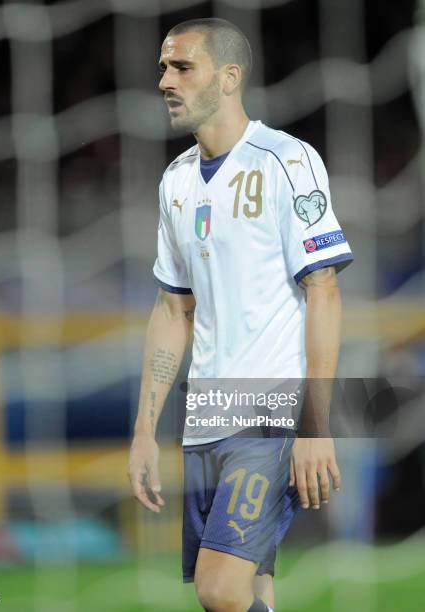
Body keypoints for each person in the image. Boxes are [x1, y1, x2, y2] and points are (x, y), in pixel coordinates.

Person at [128, 17, 353, 612]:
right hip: (203, 415)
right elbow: (173, 310)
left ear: (229, 78)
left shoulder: (286, 160)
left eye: (182, 67)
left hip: (269, 411)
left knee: (219, 589)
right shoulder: (175, 181)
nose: (165, 81)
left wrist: (316, 425)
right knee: (252, 592)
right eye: (162, 68)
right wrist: (145, 430)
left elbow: (323, 291)